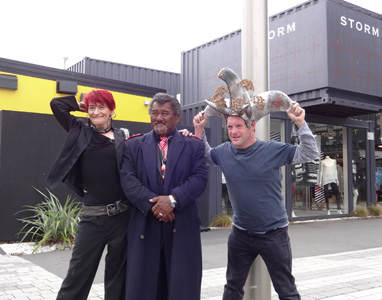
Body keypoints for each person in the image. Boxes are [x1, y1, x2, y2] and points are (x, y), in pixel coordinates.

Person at [193, 100, 319, 300]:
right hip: (240, 234)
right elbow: (206, 156)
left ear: (252, 126)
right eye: (230, 127)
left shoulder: (272, 150)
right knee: (232, 287)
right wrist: (199, 131)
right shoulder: (225, 151)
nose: (233, 131)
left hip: (274, 234)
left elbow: (310, 153)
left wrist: (301, 125)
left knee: (286, 290)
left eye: (239, 126)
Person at [120, 92, 208, 300]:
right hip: (145, 224)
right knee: (143, 287)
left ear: (177, 117)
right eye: (154, 113)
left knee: (181, 287)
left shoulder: (194, 145)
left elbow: (199, 178)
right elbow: (128, 180)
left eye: (165, 113)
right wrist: (155, 205)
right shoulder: (132, 145)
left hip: (182, 225)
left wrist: (172, 200)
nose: (158, 118)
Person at [45, 89, 130, 300]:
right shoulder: (79, 130)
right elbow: (57, 104)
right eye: (93, 108)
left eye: (102, 107)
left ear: (112, 110)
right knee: (77, 277)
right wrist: (82, 104)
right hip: (92, 218)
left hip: (122, 218)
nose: (97, 112)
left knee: (117, 278)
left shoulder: (124, 136)